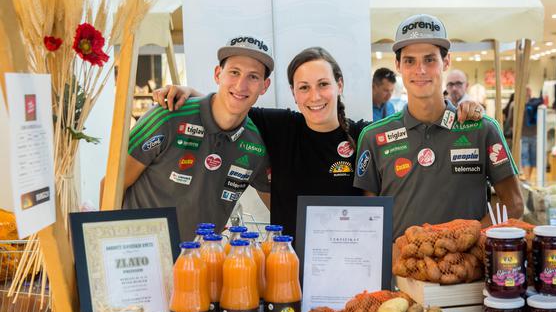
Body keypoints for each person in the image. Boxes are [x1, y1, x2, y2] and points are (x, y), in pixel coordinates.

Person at [153, 48, 491, 242]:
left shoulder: (366, 136)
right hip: (290, 271)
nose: (314, 96)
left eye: (323, 84)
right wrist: (189, 93)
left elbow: (419, 142)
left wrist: (462, 109)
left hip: (355, 269)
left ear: (339, 85)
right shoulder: (281, 127)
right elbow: (234, 102)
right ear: (293, 93)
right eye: (303, 88)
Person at [353, 14, 524, 243]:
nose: (420, 70)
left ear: (446, 62)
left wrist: (460, 242)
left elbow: (514, 204)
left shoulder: (482, 130)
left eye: (430, 59)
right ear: (398, 66)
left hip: (468, 276)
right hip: (400, 276)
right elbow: (367, 219)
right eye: (410, 61)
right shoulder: (374, 137)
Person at [121, 36, 273, 241]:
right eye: (234, 72)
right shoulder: (167, 115)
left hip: (202, 263)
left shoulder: (256, 144)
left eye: (253, 77)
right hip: (142, 260)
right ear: (218, 74)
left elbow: (276, 204)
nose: (241, 85)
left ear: (264, 86)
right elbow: (113, 184)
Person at [503, 87, 539, 181]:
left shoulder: (515, 104)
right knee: (531, 156)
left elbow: (510, 120)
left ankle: (528, 179)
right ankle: (528, 178)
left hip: (523, 134)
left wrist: (514, 130)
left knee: (526, 156)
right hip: (533, 133)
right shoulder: (535, 104)